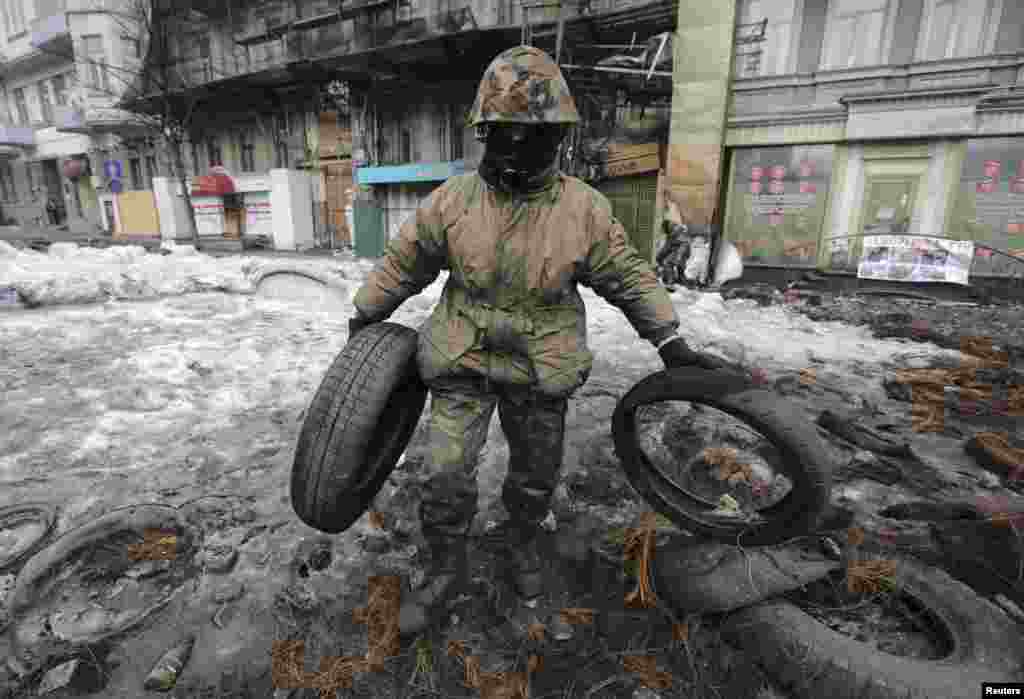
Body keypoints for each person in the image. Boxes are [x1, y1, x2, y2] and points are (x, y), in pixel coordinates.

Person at [348, 45, 724, 641]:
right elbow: (404, 261)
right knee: (443, 473)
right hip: (461, 356)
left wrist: (669, 340)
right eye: (504, 134)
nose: (518, 148)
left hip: (540, 365)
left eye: (534, 135)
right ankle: (444, 567)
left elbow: (627, 274)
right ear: (485, 134)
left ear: (559, 137)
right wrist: (367, 315)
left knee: (533, 477)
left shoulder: (583, 209)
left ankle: (524, 542)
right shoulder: (453, 201)